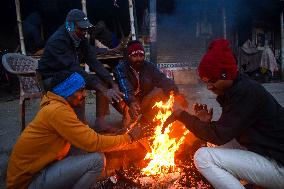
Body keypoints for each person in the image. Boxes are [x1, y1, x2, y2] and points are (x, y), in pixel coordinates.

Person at [162, 39, 284, 189]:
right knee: (212, 144)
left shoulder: (246, 92)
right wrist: (205, 123)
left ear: (226, 75)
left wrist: (182, 115)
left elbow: (219, 135)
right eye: (205, 81)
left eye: (212, 80)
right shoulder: (236, 89)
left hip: (279, 165)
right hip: (266, 152)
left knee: (203, 158)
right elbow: (225, 131)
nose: (208, 87)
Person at [6, 72, 151, 189]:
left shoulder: (59, 106)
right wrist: (130, 138)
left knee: (88, 153)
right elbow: (93, 142)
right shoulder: (57, 111)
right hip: (27, 183)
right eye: (80, 91)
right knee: (97, 160)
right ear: (67, 91)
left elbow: (86, 135)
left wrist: (117, 135)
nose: (84, 95)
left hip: (40, 170)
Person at [38, 9, 122, 132]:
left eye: (86, 29)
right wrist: (104, 90)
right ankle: (81, 127)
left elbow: (93, 61)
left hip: (70, 75)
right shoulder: (58, 41)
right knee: (78, 84)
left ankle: (100, 122)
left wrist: (112, 83)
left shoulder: (80, 38)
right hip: (51, 79)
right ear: (69, 26)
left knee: (102, 80)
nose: (84, 32)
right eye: (81, 29)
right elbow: (74, 69)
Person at [114, 40, 185, 128]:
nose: (138, 58)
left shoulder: (149, 66)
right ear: (129, 56)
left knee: (161, 91)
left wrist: (176, 93)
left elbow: (163, 79)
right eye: (135, 56)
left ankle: (146, 119)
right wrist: (131, 102)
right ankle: (127, 117)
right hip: (127, 102)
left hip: (144, 100)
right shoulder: (121, 68)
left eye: (141, 55)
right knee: (116, 90)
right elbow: (125, 87)